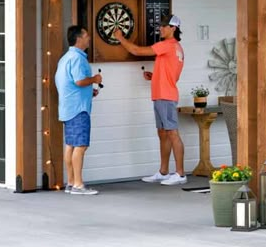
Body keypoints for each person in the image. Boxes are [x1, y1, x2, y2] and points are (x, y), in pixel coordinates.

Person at [113, 15, 186, 185]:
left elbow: (137, 51)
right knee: (163, 133)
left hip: (166, 96)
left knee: (172, 133)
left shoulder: (167, 45)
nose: (160, 29)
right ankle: (164, 171)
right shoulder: (176, 48)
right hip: (162, 94)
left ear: (173, 28)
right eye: (160, 26)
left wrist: (120, 38)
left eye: (164, 26)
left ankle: (180, 174)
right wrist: (155, 77)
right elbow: (171, 73)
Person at [55, 26, 102, 195]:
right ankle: (78, 185)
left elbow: (71, 83)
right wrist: (95, 79)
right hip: (78, 109)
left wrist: (90, 91)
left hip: (68, 107)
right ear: (78, 39)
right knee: (80, 146)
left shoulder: (66, 58)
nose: (89, 38)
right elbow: (80, 81)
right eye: (86, 36)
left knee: (71, 145)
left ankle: (71, 182)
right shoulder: (77, 58)